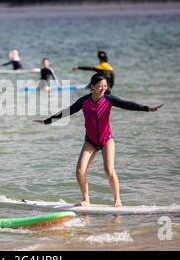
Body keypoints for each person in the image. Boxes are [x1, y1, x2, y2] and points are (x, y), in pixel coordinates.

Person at [33, 74, 163, 207]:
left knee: (109, 169)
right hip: (90, 141)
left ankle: (117, 199)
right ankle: (86, 199)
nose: (103, 88)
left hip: (107, 140)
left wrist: (146, 108)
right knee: (80, 171)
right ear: (92, 87)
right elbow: (68, 111)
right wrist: (47, 121)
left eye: (105, 86)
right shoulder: (84, 101)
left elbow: (127, 104)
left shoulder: (109, 99)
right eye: (100, 86)